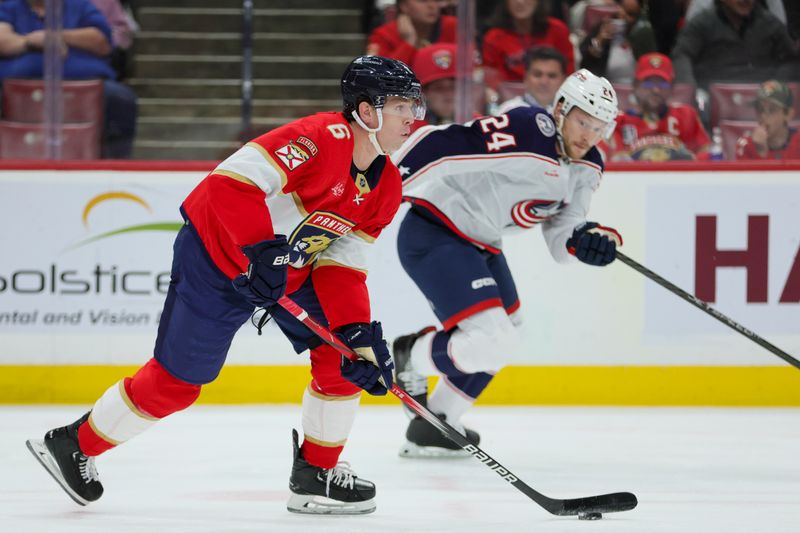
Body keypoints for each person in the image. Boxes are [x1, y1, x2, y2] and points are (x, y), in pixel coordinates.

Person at [25, 55, 424, 515]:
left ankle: (316, 474)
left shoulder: (387, 185)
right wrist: (260, 249)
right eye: (401, 105)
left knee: (347, 355)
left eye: (415, 106)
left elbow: (341, 262)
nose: (413, 117)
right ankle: (74, 444)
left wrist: (354, 329)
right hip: (217, 258)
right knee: (178, 384)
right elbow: (229, 183)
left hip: (290, 271)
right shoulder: (316, 138)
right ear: (366, 111)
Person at [390, 69, 622, 457]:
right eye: (584, 122)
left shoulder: (589, 165)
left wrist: (588, 240)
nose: (589, 136)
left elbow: (561, 234)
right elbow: (445, 145)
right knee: (492, 340)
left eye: (600, 128)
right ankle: (410, 355)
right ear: (562, 109)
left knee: (508, 336)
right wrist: (383, 186)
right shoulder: (530, 129)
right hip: (435, 231)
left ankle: (438, 422)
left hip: (481, 244)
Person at [0, 0, 138, 158]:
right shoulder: (9, 8)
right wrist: (31, 41)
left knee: (119, 97)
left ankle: (113, 166)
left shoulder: (81, 6)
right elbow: (2, 40)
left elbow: (102, 42)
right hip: (14, 85)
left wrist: (56, 35)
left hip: (85, 83)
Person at [671, 0, 797, 88]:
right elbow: (682, 54)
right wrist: (687, 86)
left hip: (762, 102)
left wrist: (778, 84)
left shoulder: (771, 24)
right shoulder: (702, 23)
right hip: (712, 100)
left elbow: (791, 60)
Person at [609, 52, 711, 161]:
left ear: (672, 87)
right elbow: (614, 161)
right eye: (648, 83)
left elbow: (706, 151)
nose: (656, 90)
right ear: (635, 86)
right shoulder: (618, 121)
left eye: (663, 84)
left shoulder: (686, 115)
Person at [482, 0, 575, 89]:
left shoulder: (557, 30)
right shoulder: (494, 37)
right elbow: (492, 82)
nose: (520, 1)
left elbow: (569, 74)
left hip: (552, 98)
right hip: (509, 100)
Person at [366, 0, 457, 67]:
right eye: (422, 1)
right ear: (404, 6)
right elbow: (378, 74)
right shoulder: (383, 34)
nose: (432, 6)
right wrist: (408, 43)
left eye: (436, 0)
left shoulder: (454, 26)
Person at [736, 79, 800, 160]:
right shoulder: (745, 144)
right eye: (760, 109)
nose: (763, 116)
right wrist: (760, 151)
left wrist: (764, 154)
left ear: (788, 115)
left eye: (772, 110)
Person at [497, 45, 567, 113]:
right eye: (537, 75)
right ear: (525, 77)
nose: (544, 82)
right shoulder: (508, 111)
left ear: (563, 80)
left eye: (552, 76)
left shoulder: (572, 113)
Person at [411, 43, 456, 129]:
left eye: (453, 87)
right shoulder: (409, 130)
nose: (447, 93)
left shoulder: (478, 124)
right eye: (439, 88)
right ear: (424, 93)